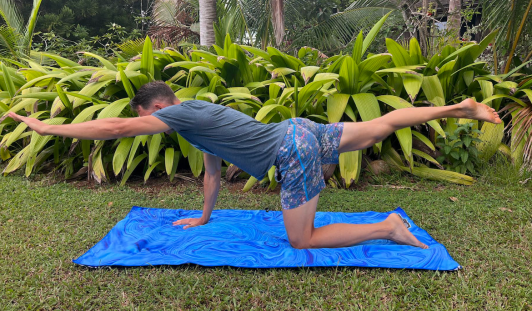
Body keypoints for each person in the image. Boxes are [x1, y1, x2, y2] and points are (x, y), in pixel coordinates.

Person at [5, 81, 501, 250]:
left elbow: (112, 129)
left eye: (145, 118)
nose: (148, 125)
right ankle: (459, 107)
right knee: (385, 124)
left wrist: (49, 128)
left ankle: (388, 228)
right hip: (298, 129)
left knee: (301, 239)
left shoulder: (177, 114)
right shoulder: (200, 120)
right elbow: (213, 173)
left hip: (291, 150)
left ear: (155, 109)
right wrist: (203, 217)